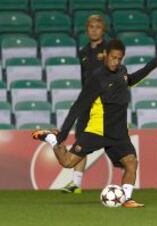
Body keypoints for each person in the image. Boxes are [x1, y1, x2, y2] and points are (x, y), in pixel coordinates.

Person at [32, 39, 157, 208]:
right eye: (113, 58)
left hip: (118, 134)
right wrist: (63, 134)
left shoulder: (121, 71)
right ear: (105, 55)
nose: (116, 62)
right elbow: (77, 107)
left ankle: (126, 199)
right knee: (67, 163)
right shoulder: (96, 79)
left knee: (131, 162)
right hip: (97, 131)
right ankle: (51, 139)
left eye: (119, 58)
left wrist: (153, 64)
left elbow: (130, 80)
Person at [61, 15, 107, 194]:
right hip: (88, 101)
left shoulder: (110, 50)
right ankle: (76, 184)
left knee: (115, 142)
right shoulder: (83, 52)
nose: (94, 30)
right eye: (91, 27)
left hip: (105, 102)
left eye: (98, 27)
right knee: (80, 140)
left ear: (103, 30)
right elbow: (84, 78)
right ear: (87, 30)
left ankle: (127, 182)